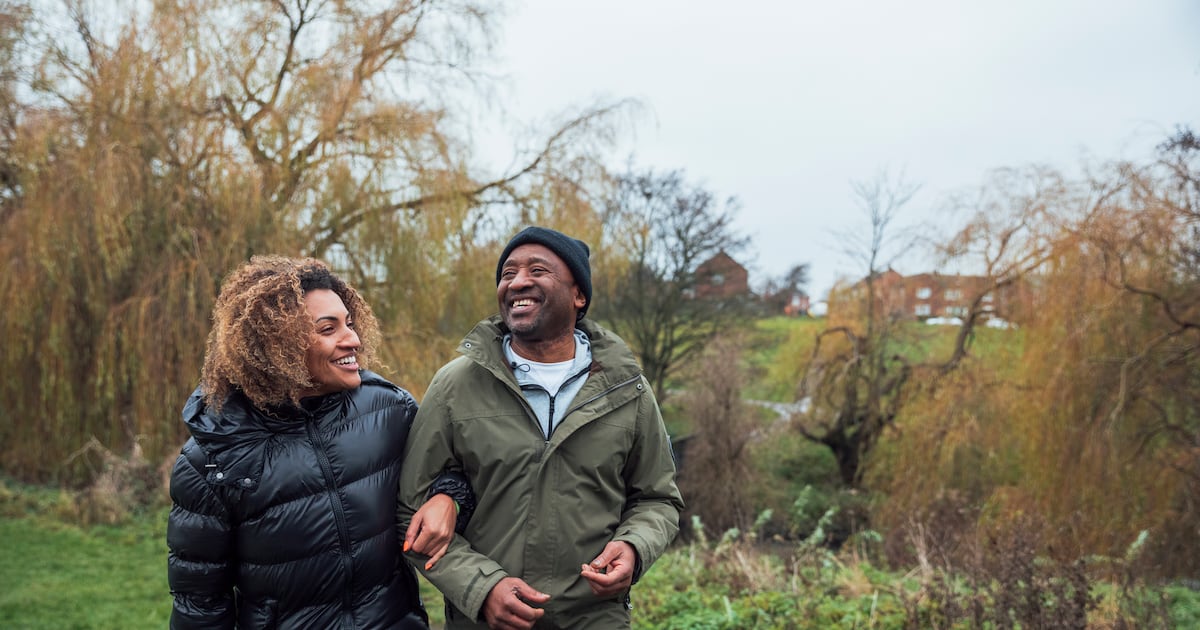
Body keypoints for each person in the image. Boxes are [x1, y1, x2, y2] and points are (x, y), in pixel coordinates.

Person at [167, 255, 476, 629]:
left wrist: (448, 498)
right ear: (275, 345)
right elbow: (199, 604)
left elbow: (455, 468)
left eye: (349, 323)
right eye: (328, 329)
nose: (354, 340)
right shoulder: (214, 455)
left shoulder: (389, 409)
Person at [398, 226, 684, 629]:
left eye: (537, 270)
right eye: (507, 273)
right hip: (484, 622)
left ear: (578, 294)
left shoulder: (628, 388)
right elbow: (409, 510)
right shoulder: (455, 385)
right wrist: (481, 588)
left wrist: (634, 547)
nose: (517, 282)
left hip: (593, 619)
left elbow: (658, 498)